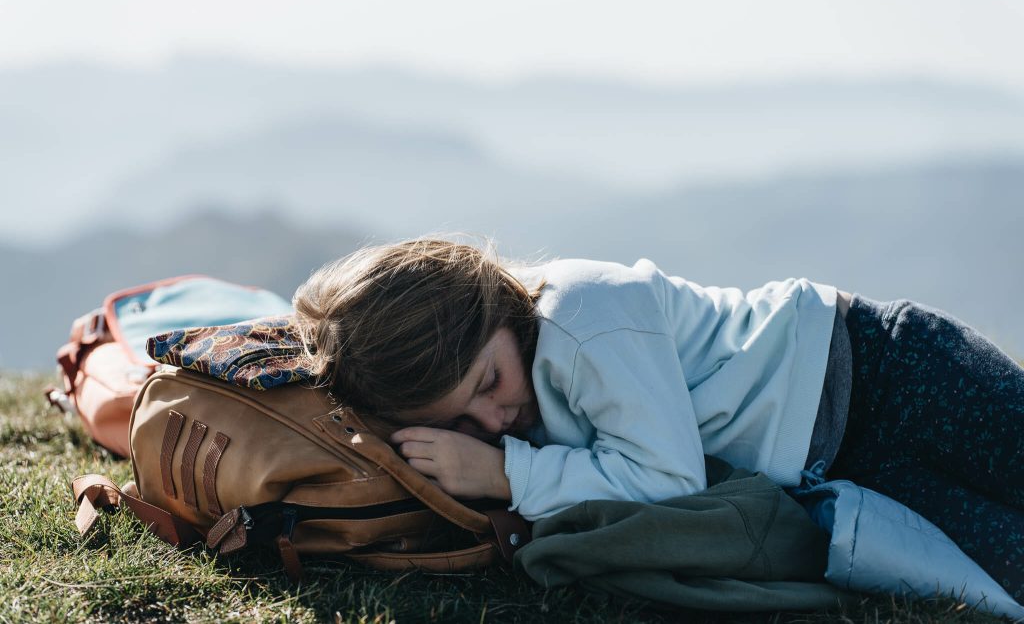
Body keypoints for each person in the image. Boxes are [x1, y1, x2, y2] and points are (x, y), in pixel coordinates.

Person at [293, 237, 1024, 600]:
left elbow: (670, 478)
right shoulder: (501, 398)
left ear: (494, 303)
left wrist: (508, 470)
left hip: (885, 370)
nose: (497, 414)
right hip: (844, 461)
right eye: (467, 419)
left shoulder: (584, 313)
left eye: (489, 380)